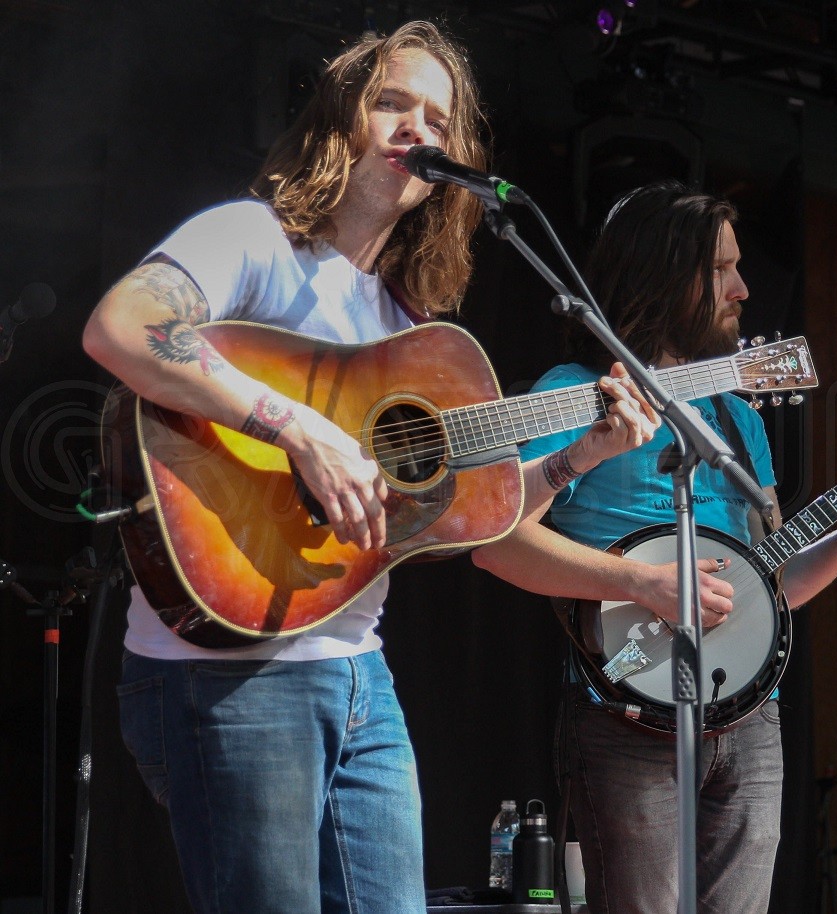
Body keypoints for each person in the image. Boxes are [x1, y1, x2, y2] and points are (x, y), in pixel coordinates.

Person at [82, 22, 657, 914]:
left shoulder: (402, 321)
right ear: (339, 118)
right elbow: (120, 328)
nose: (415, 127)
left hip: (358, 673)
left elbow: (475, 521)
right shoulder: (252, 239)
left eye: (437, 118)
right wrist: (297, 428)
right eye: (392, 102)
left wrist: (582, 454)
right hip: (232, 667)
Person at [472, 181, 837, 914]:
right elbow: (496, 543)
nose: (742, 288)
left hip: (749, 716)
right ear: (663, 274)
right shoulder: (576, 394)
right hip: (623, 715)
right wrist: (644, 585)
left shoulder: (739, 417)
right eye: (720, 269)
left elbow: (767, 584)